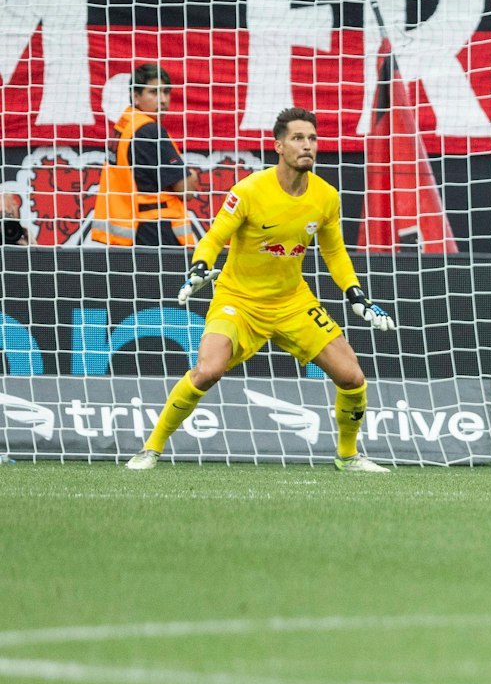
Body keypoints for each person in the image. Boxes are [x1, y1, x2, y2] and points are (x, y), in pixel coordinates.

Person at [126, 108, 397, 472]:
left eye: (312, 138)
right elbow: (214, 236)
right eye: (298, 138)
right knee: (208, 370)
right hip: (239, 299)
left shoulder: (326, 196)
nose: (307, 146)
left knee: (352, 377)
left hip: (292, 301)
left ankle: (348, 457)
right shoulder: (250, 190)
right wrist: (199, 267)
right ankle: (151, 449)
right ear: (279, 146)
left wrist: (356, 294)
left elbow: (334, 251)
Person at [87, 62, 198, 247]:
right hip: (156, 230)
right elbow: (185, 189)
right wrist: (192, 175)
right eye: (154, 92)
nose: (162, 99)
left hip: (132, 228)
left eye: (166, 92)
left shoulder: (125, 125)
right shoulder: (149, 131)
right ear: (135, 97)